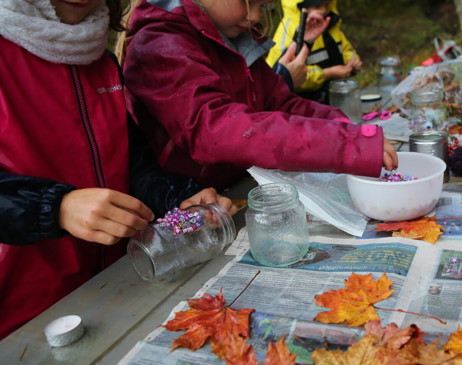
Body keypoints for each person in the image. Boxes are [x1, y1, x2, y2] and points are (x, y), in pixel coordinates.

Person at [0, 0, 236, 340]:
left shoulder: (101, 59)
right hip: (26, 315)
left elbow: (134, 165)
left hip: (122, 285)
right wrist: (55, 207)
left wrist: (181, 196)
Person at [123, 0, 395, 191]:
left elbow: (281, 102)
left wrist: (344, 128)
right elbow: (216, 128)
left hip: (237, 186)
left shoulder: (234, 35)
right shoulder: (161, 43)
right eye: (248, 2)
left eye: (262, 6)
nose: (254, 17)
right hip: (185, 198)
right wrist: (344, 144)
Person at [266, 0, 362, 103]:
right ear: (302, 8)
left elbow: (347, 50)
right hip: (305, 105)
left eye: (325, 5)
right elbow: (278, 78)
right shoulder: (288, 32)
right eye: (316, 6)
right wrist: (326, 74)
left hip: (337, 98)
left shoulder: (331, 24)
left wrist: (352, 62)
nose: (323, 10)